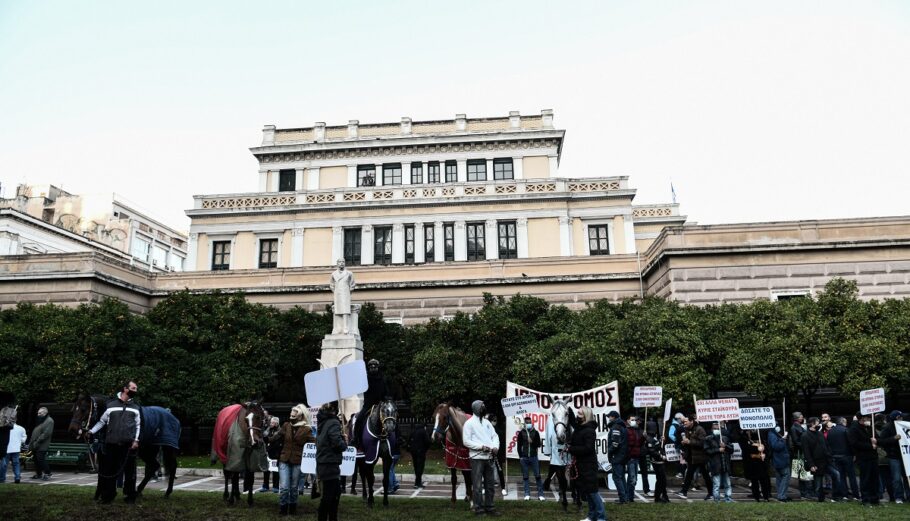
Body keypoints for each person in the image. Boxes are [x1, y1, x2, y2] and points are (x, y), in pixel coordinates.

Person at [87, 382, 140, 503]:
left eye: (136, 389)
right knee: (110, 471)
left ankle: (130, 496)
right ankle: (108, 496)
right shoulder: (111, 405)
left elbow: (138, 426)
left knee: (130, 472)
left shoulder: (135, 406)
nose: (135, 390)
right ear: (125, 389)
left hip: (129, 445)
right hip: (111, 444)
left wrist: (136, 440)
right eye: (133, 388)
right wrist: (91, 431)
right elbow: (102, 422)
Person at [273, 405, 315, 515]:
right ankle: (283, 508)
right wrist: (264, 437)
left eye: (294, 414)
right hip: (284, 459)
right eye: (291, 413)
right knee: (285, 487)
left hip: (298, 461)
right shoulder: (286, 425)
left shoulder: (306, 429)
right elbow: (276, 437)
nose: (291, 415)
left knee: (294, 487)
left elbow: (315, 443)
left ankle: (292, 508)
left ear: (301, 416)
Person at [462, 400, 502, 517]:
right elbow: (466, 441)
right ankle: (478, 509)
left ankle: (490, 507)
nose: (484, 407)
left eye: (484, 405)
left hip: (489, 457)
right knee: (478, 485)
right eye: (481, 406)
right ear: (475, 408)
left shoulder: (487, 423)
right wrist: (481, 447)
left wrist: (495, 447)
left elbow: (495, 436)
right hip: (477, 458)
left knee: (490, 485)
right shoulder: (469, 423)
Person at [568, 406, 606, 521]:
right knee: (588, 492)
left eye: (580, 414)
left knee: (593, 492)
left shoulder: (589, 430)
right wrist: (568, 410)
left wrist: (571, 449)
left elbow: (588, 448)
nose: (577, 416)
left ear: (585, 416)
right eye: (577, 413)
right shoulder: (580, 427)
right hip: (581, 464)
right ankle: (591, 516)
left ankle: (601, 517)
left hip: (589, 465)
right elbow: (573, 422)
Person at [316, 402, 347, 521]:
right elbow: (336, 443)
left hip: (323, 463)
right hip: (329, 464)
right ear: (335, 409)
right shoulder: (333, 422)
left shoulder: (322, 421)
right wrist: (344, 442)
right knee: (331, 496)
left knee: (331, 494)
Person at [802, 416, 841, 502]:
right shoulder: (805, 436)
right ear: (812, 424)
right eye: (817, 422)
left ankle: (836, 495)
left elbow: (826, 445)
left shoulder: (819, 433)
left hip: (826, 461)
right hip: (816, 463)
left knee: (836, 474)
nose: (819, 424)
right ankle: (821, 499)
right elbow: (806, 451)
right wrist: (811, 464)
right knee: (818, 485)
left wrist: (829, 455)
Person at [352, 359, 389, 449]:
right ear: (369, 368)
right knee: (359, 419)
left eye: (375, 366)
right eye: (371, 366)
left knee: (391, 417)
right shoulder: (365, 378)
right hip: (368, 404)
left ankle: (397, 438)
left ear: (377, 367)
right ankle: (355, 439)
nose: (373, 368)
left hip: (381, 404)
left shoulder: (382, 378)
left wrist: (386, 399)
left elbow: (386, 391)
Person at [848, 412, 880, 507]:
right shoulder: (854, 429)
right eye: (867, 418)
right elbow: (855, 443)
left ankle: (875, 499)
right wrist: (870, 446)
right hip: (863, 458)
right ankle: (865, 499)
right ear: (861, 419)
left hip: (873, 457)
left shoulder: (870, 428)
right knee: (865, 479)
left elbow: (877, 439)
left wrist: (877, 442)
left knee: (874, 479)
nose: (869, 420)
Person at [676, 414, 710, 500]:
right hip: (692, 457)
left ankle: (711, 493)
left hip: (700, 457)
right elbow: (687, 442)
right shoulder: (687, 429)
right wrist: (684, 443)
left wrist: (690, 442)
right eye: (683, 422)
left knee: (705, 476)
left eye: (686, 421)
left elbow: (702, 443)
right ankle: (684, 491)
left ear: (691, 421)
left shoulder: (700, 429)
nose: (684, 423)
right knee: (689, 475)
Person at [827, 416, 859, 501]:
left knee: (841, 477)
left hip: (835, 456)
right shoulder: (846, 430)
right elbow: (851, 443)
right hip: (847, 456)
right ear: (843, 422)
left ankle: (844, 494)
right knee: (851, 476)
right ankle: (855, 495)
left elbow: (828, 444)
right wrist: (854, 454)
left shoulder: (830, 431)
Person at [877, 410, 905, 504]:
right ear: (897, 418)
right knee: (896, 478)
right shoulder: (887, 427)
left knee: (906, 477)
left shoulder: (904, 425)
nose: (902, 418)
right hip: (894, 457)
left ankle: (908, 496)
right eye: (900, 417)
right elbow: (881, 441)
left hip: (905, 456)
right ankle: (898, 497)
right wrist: (893, 438)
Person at [516, 415, 544, 501]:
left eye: (529, 422)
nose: (528, 424)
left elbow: (538, 445)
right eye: (527, 422)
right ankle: (527, 494)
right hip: (524, 458)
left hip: (534, 457)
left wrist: (532, 442)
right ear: (524, 423)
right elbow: (519, 446)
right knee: (525, 477)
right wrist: (520, 457)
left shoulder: (536, 432)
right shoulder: (521, 433)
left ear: (531, 423)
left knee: (538, 476)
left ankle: (540, 495)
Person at [704, 421, 733, 503]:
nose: (716, 430)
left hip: (725, 465)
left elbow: (731, 450)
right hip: (715, 465)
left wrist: (725, 446)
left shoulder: (725, 438)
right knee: (716, 484)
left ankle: (728, 498)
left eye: (718, 428)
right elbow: (707, 451)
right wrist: (718, 450)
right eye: (714, 428)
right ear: (712, 429)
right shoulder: (708, 439)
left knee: (727, 484)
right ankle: (716, 500)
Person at [605, 410, 629, 504]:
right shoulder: (622, 426)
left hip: (617, 456)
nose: (608, 418)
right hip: (622, 456)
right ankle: (625, 497)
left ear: (614, 417)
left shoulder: (616, 427)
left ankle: (622, 498)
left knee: (617, 478)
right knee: (622, 477)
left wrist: (609, 452)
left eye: (609, 417)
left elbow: (615, 443)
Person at [789, 411, 814, 500]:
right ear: (796, 418)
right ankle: (805, 493)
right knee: (803, 474)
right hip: (800, 454)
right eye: (801, 416)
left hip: (802, 452)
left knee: (805, 474)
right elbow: (796, 442)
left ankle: (807, 492)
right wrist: (806, 445)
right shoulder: (794, 428)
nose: (802, 417)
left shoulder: (799, 426)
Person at [742, 429, 771, 501]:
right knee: (757, 482)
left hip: (760, 466)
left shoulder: (762, 444)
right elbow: (750, 455)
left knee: (762, 482)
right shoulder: (750, 445)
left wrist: (763, 453)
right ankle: (760, 497)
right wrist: (759, 454)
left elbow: (767, 452)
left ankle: (763, 496)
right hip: (754, 465)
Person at [644, 421, 669, 503]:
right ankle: (658, 497)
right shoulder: (649, 438)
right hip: (657, 462)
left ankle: (663, 496)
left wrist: (661, 440)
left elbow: (658, 447)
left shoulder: (653, 437)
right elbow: (652, 451)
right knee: (661, 480)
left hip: (660, 461)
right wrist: (661, 456)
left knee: (662, 480)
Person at [767, 422, 791, 501]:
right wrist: (783, 439)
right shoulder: (772, 435)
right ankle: (781, 495)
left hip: (779, 460)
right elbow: (776, 446)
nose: (778, 427)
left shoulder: (773, 434)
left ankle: (781, 494)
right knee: (785, 477)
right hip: (780, 460)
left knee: (780, 478)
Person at [2, 409, 26, 484]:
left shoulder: (4, 427)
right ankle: (17, 477)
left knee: (4, 465)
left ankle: (2, 478)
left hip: (7, 449)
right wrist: (19, 442)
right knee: (16, 464)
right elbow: (24, 438)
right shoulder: (21, 428)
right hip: (16, 449)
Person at [487, 413, 508, 497]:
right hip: (488, 453)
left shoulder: (499, 431)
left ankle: (503, 488)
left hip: (497, 454)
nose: (494, 422)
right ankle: (485, 487)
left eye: (495, 420)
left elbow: (502, 444)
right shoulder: (486, 430)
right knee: (486, 471)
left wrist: (501, 455)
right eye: (493, 420)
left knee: (500, 471)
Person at [624, 415, 643, 503]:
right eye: (632, 420)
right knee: (632, 478)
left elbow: (639, 443)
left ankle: (630, 497)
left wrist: (643, 437)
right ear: (628, 420)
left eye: (635, 420)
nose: (634, 421)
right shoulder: (626, 430)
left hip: (635, 456)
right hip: (631, 457)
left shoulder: (636, 430)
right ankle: (628, 497)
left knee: (633, 478)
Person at [260, 416, 281, 493]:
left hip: (275, 454)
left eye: (272, 422)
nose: (271, 424)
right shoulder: (268, 429)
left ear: (276, 423)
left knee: (275, 472)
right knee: (266, 471)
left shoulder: (279, 430)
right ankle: (265, 486)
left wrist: (267, 440)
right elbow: (263, 437)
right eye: (271, 422)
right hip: (267, 453)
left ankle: (276, 487)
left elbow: (274, 441)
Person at [408, 423, 430, 489]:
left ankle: (417, 482)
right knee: (420, 467)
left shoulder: (413, 431)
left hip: (413, 452)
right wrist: (426, 449)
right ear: (424, 427)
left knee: (416, 466)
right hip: (421, 452)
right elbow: (427, 442)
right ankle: (417, 483)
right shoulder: (423, 431)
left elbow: (409, 441)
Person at [668, 413, 686, 479]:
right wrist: (677, 440)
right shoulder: (673, 426)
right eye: (681, 419)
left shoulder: (680, 425)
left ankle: (682, 472)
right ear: (678, 419)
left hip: (680, 445)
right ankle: (680, 472)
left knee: (682, 460)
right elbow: (670, 435)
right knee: (678, 460)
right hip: (678, 445)